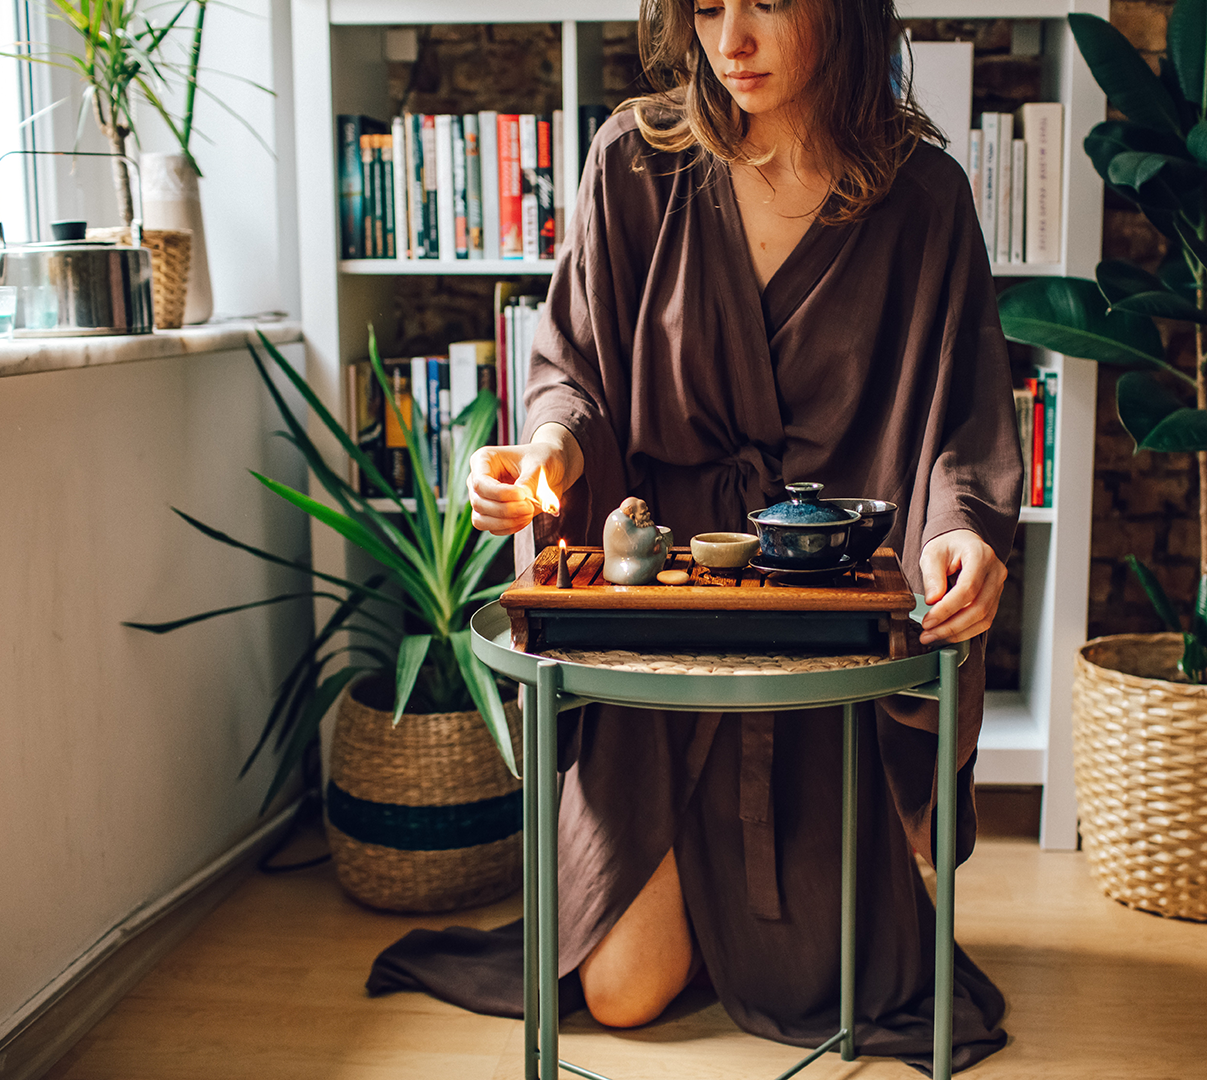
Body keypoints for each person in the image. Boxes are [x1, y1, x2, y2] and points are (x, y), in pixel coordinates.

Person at [367, 0, 1024, 1072]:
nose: (733, 44)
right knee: (623, 995)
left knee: (831, 985)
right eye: (708, 8)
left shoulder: (924, 198)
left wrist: (962, 533)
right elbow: (570, 372)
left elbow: (964, 424)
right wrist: (546, 458)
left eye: (767, 3)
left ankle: (783, 899)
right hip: (656, 613)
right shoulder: (636, 158)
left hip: (820, 627)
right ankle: (699, 895)